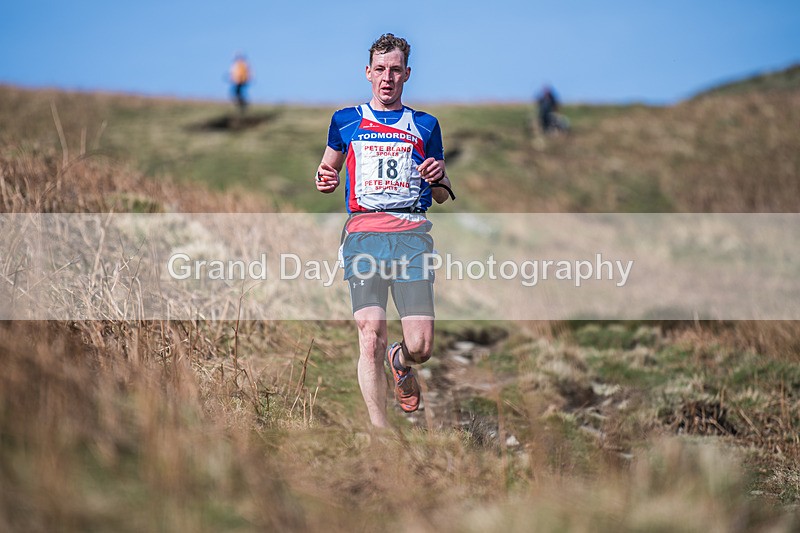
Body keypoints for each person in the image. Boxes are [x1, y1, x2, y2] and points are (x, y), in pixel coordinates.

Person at [315, 33, 454, 428]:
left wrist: (439, 176)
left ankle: (401, 361)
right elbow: (328, 170)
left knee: (421, 345)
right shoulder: (346, 120)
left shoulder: (426, 125)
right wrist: (324, 178)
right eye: (380, 70)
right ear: (368, 73)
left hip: (411, 237)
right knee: (369, 333)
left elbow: (441, 195)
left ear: (407, 73)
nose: (387, 77)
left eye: (395, 70)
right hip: (363, 237)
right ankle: (380, 431)